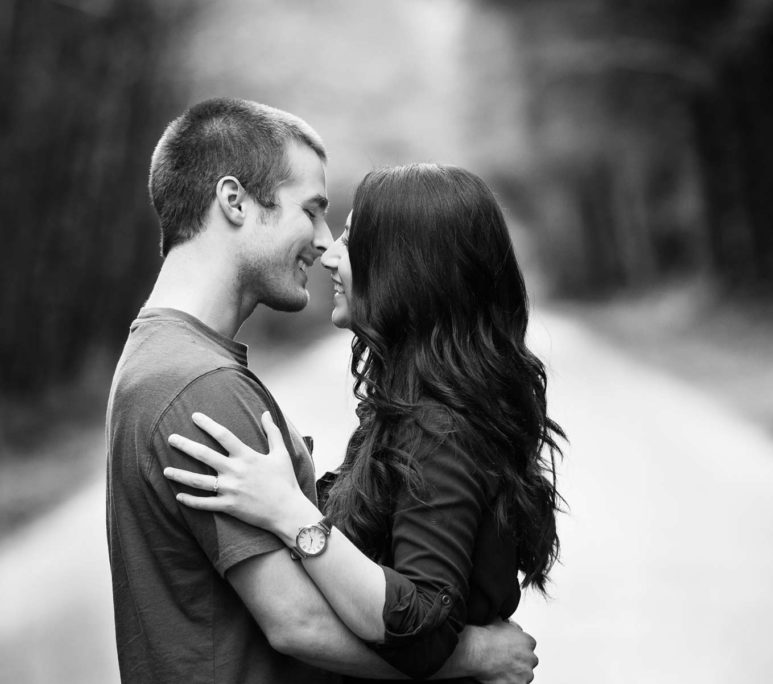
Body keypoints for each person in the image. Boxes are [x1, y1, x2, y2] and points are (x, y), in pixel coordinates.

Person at [106, 99, 538, 683]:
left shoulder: (157, 355)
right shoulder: (202, 387)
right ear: (234, 202)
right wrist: (479, 655)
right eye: (310, 211)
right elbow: (300, 624)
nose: (323, 242)